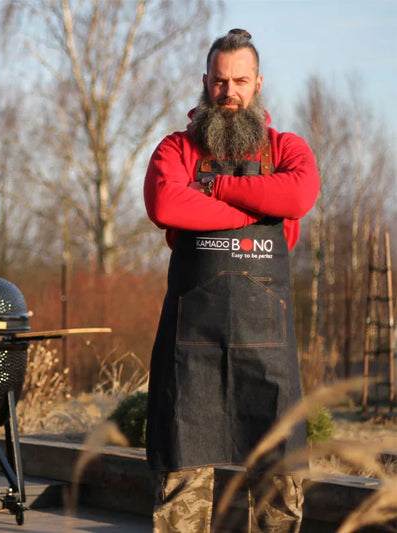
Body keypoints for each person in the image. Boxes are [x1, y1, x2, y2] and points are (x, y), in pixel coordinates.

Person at [143, 29, 319, 533]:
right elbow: (165, 203)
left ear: (258, 83)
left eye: (240, 80)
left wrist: (217, 190)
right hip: (191, 349)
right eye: (219, 82)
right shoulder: (176, 148)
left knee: (279, 486)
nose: (229, 93)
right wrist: (249, 212)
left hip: (268, 351)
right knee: (180, 488)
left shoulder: (287, 148)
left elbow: (298, 195)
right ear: (205, 83)